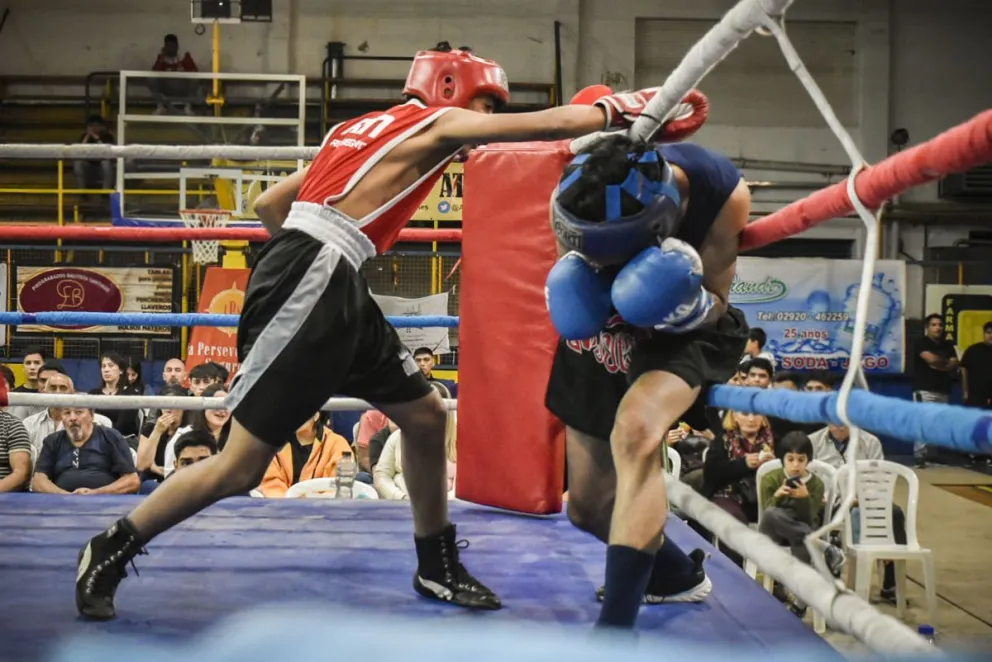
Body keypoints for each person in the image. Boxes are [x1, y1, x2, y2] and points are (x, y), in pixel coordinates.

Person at [75, 43, 666, 621]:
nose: (481, 121)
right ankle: (113, 546)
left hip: (330, 277)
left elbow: (270, 205)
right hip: (314, 277)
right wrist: (622, 109)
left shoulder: (354, 131)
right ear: (451, 90)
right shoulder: (438, 120)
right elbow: (542, 125)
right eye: (484, 105)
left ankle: (435, 561)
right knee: (241, 467)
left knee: (428, 416)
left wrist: (317, 247)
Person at [544, 89, 751, 631]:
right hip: (602, 318)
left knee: (637, 431)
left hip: (685, 324)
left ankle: (614, 634)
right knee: (586, 508)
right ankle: (675, 575)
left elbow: (718, 304)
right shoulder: (580, 179)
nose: (597, 257)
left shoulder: (717, 192)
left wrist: (678, 301)